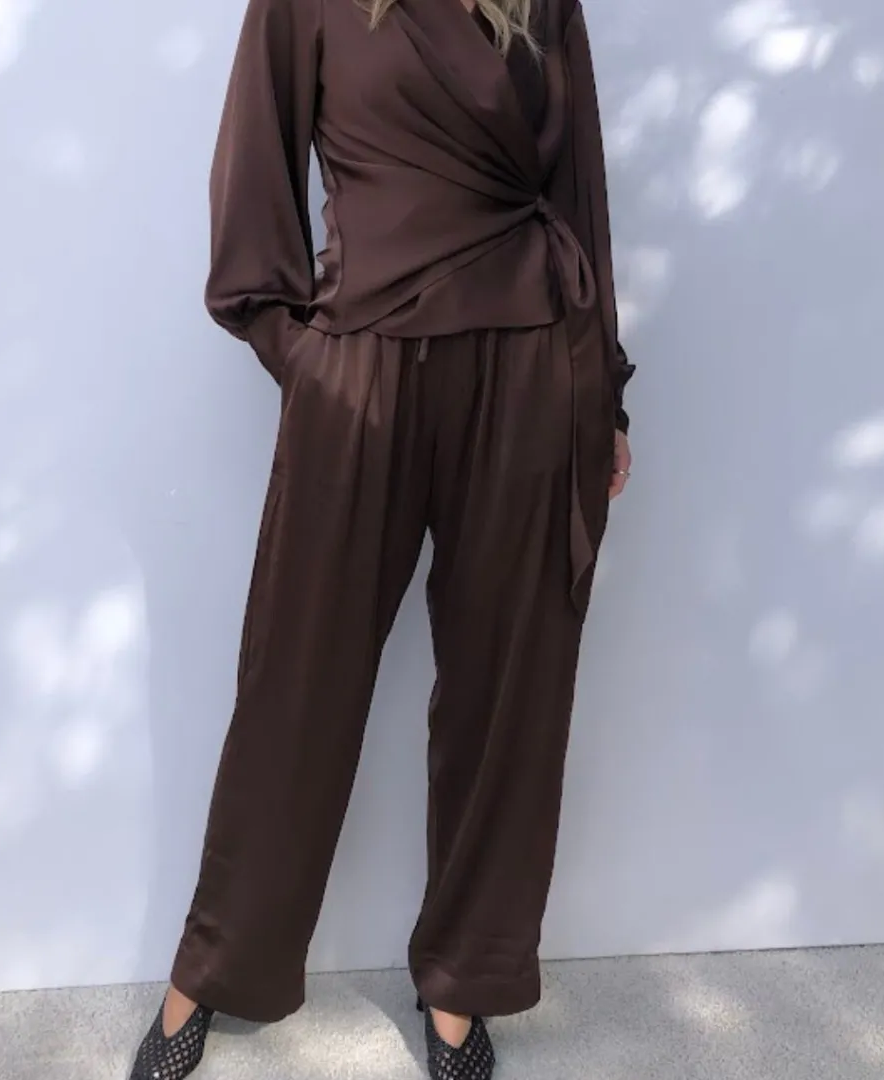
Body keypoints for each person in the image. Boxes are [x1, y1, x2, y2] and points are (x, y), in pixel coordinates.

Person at [129, 0, 634, 1076]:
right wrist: (304, 357)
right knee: (296, 685)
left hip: (530, 368)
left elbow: (579, 191)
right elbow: (254, 170)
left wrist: (606, 393)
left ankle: (460, 982)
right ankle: (213, 965)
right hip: (363, 370)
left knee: (507, 693)